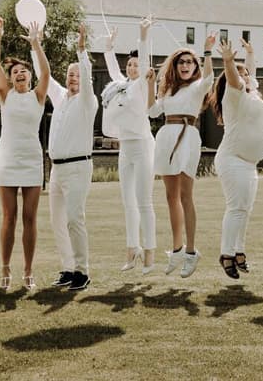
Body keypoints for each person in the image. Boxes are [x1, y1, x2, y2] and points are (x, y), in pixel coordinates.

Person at [150, 32, 217, 278]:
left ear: (195, 66)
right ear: (175, 66)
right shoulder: (167, 90)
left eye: (190, 62)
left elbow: (209, 77)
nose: (186, 65)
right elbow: (151, 111)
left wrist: (207, 51)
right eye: (182, 62)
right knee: (170, 197)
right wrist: (151, 85)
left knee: (186, 196)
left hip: (187, 138)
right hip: (167, 137)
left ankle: (191, 251)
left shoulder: (198, 87)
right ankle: (177, 249)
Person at [0, 16, 51, 290]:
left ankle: (27, 271)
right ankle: (4, 269)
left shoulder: (38, 96)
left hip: (31, 161)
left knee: (29, 218)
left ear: (29, 75)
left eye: (23, 71)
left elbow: (46, 73)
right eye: (14, 72)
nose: (19, 74)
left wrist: (36, 44)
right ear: (11, 78)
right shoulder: (6, 95)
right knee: (9, 217)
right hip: (7, 160)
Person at [210, 39, 263, 279]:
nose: (245, 76)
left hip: (249, 163)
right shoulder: (233, 96)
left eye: (247, 74)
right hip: (232, 159)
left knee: (245, 210)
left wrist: (250, 54)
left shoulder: (252, 96)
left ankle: (239, 251)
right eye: (240, 74)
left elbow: (249, 76)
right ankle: (226, 254)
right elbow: (236, 78)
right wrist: (228, 61)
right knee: (236, 208)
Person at [46, 24, 100, 291]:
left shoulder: (88, 101)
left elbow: (87, 81)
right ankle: (67, 269)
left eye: (78, 74)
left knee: (74, 218)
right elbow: (44, 75)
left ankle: (82, 271)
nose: (73, 77)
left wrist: (81, 50)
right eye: (69, 74)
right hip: (56, 170)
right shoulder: (60, 98)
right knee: (57, 221)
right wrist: (35, 44)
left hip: (78, 166)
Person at [101, 19, 156, 274]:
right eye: (130, 64)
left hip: (143, 146)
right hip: (126, 149)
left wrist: (142, 36)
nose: (133, 67)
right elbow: (113, 69)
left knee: (144, 201)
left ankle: (149, 255)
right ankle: (131, 250)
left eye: (136, 64)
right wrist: (109, 47)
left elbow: (144, 62)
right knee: (128, 202)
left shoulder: (141, 85)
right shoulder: (120, 86)